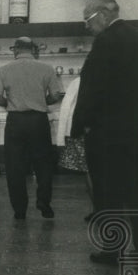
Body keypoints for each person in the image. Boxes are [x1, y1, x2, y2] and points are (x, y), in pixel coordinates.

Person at [71, 0, 138, 261]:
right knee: (135, 187)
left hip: (106, 132)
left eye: (88, 19)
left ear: (104, 15)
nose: (86, 25)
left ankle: (112, 249)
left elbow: (91, 88)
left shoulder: (105, 41)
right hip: (137, 129)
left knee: (107, 191)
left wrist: (80, 124)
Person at [0, 36, 63, 219]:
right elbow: (56, 95)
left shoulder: (4, 70)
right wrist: (41, 101)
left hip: (15, 121)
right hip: (38, 121)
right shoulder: (46, 69)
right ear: (33, 50)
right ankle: (44, 203)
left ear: (15, 50)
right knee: (43, 164)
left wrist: (9, 103)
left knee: (14, 166)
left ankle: (19, 209)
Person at [55, 75, 94, 219]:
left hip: (83, 131)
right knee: (97, 170)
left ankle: (98, 208)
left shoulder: (79, 81)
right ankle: (102, 208)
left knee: (89, 170)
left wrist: (61, 137)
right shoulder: (116, 80)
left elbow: (66, 107)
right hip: (104, 131)